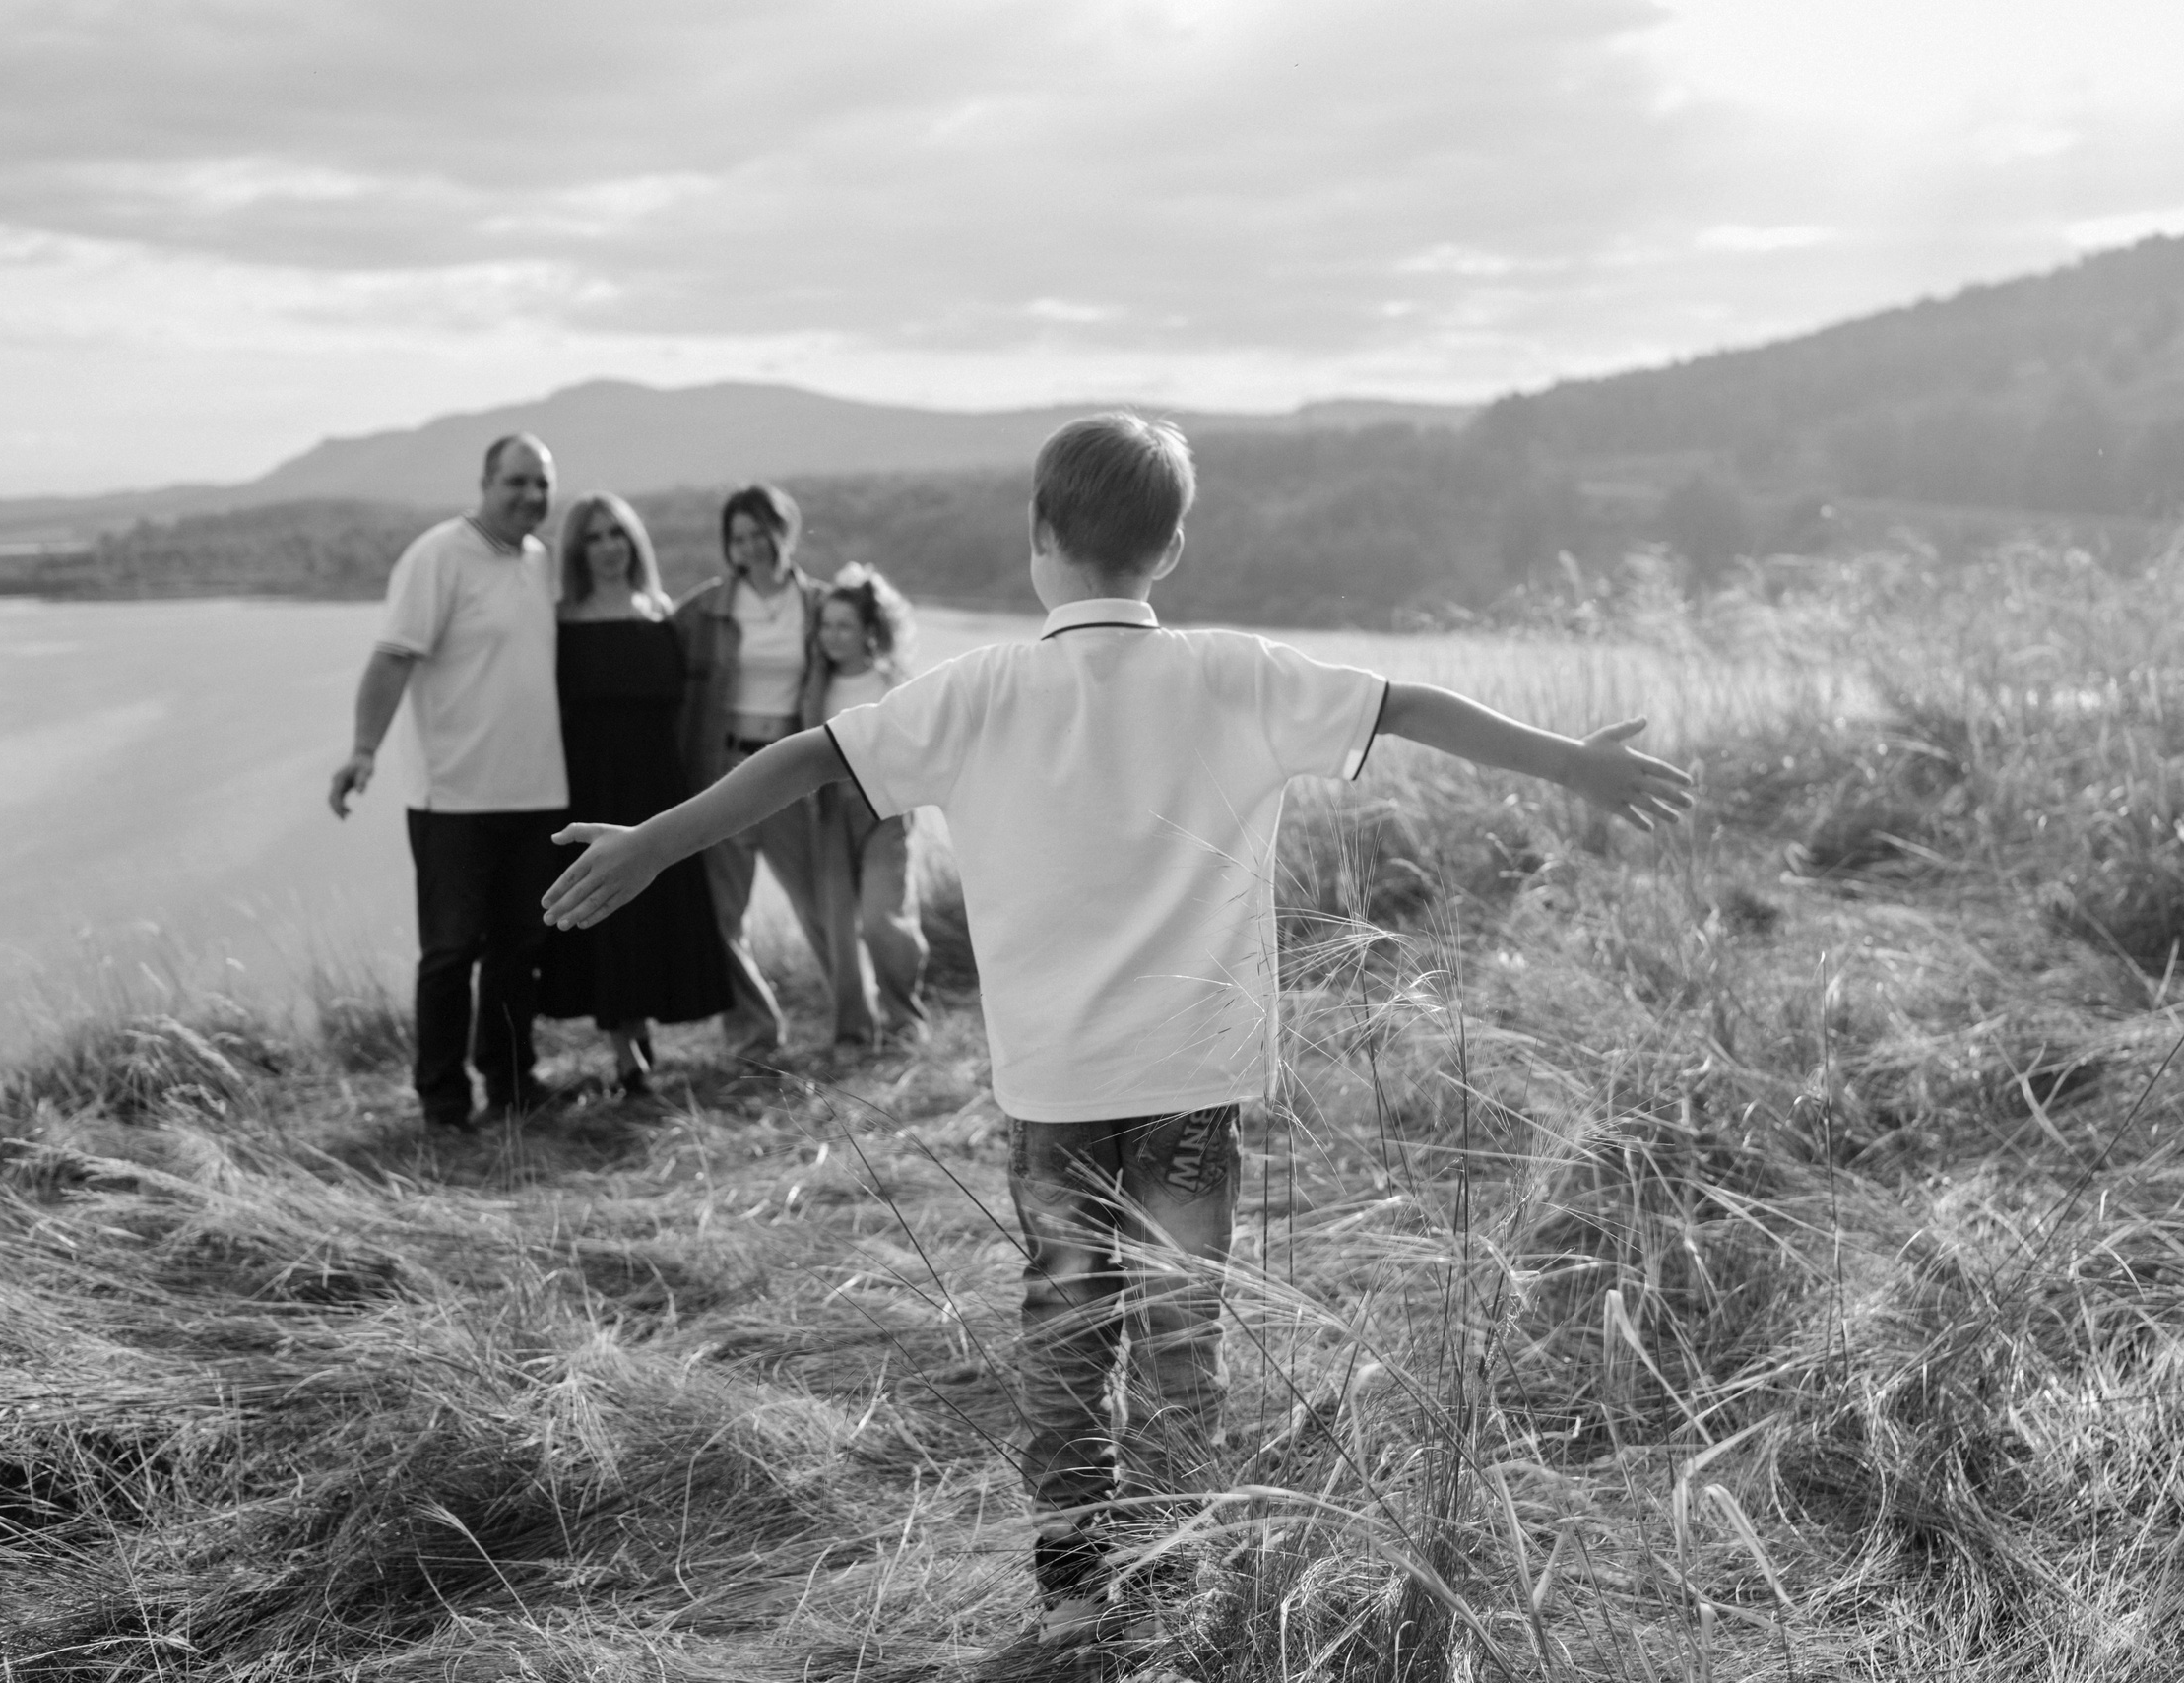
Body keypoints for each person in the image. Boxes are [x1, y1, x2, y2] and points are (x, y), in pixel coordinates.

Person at [539, 413, 1694, 1651]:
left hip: (1053, 1080)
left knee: (1067, 1322)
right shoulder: (1233, 671)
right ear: (1174, 545)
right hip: (1192, 1075)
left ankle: (1077, 1575)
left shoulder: (981, 690)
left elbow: (804, 764)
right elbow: (1409, 703)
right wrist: (1571, 763)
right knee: (1181, 1326)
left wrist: (654, 840)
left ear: (1038, 536)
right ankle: (1175, 1561)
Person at [327, 433, 567, 1133]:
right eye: (517, 482)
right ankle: (442, 1100)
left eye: (542, 486)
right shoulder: (437, 556)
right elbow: (392, 658)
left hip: (535, 792)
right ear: (485, 482)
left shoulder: (538, 559)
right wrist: (363, 749)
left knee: (520, 949)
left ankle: (512, 1081)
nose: (530, 497)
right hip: (454, 798)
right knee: (451, 951)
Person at [535, 493, 732, 1096]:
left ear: (633, 541)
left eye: (616, 533)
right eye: (593, 538)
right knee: (605, 917)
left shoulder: (661, 613)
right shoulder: (560, 621)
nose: (608, 547)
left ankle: (640, 1029)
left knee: (650, 915)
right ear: (577, 550)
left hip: (658, 787)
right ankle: (625, 1055)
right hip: (591, 787)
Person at [670, 483, 830, 1057]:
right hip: (725, 771)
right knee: (721, 918)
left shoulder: (817, 605)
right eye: (736, 538)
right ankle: (756, 1031)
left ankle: (853, 1019)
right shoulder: (706, 608)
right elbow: (655, 650)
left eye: (758, 533)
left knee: (822, 905)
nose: (748, 547)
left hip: (794, 771)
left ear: (781, 530)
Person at [806, 565, 929, 1045]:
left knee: (883, 920)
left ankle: (906, 1019)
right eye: (826, 625)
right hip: (831, 810)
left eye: (844, 627)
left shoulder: (890, 681)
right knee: (839, 926)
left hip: (885, 810)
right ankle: (853, 1032)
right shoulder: (814, 684)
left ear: (869, 632)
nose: (832, 637)